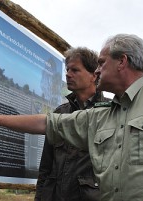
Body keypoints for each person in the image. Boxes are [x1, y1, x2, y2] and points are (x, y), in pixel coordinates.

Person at [0, 34, 143, 201]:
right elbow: (48, 123)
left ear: (122, 61)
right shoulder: (99, 117)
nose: (97, 71)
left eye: (101, 63)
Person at [35, 47, 108, 201]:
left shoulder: (109, 113)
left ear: (94, 75)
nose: (68, 74)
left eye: (75, 70)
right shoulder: (59, 113)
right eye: (67, 69)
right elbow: (45, 167)